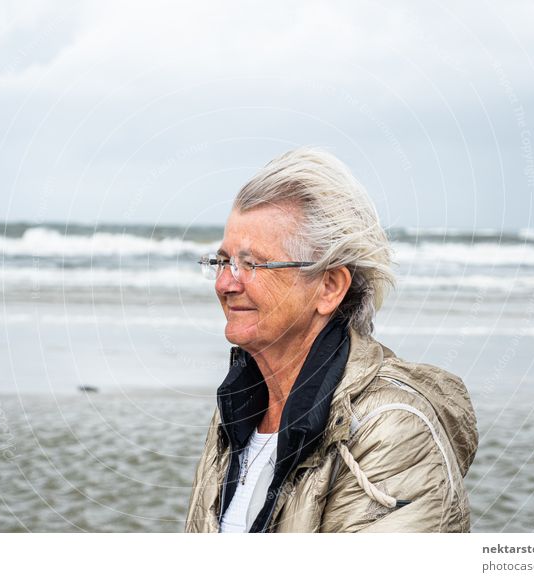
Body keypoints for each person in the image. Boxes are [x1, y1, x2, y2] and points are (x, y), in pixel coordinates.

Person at [184, 147, 478, 533]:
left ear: (329, 286)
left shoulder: (391, 429)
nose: (225, 283)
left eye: (252, 264)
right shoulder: (236, 411)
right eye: (223, 261)